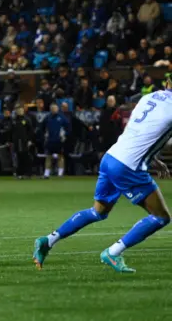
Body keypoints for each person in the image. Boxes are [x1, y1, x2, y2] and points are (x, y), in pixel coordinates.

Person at [33, 81, 172, 273]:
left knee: (98, 211)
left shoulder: (149, 97)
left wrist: (153, 159)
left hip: (112, 157)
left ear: (166, 83)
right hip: (128, 166)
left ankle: (48, 240)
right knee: (160, 217)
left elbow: (143, 131)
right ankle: (113, 252)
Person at [41, 103, 70, 178]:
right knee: (48, 156)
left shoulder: (62, 117)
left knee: (60, 156)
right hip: (50, 140)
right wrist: (45, 134)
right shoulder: (47, 117)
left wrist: (64, 134)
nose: (54, 110)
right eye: (52, 108)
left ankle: (60, 173)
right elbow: (42, 127)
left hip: (59, 140)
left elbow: (68, 127)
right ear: (50, 110)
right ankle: (46, 173)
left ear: (57, 109)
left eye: (55, 108)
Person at [12, 105, 34, 179]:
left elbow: (30, 131)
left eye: (21, 110)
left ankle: (28, 173)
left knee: (26, 157)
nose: (19, 111)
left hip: (25, 141)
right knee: (19, 157)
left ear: (23, 111)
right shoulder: (14, 120)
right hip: (17, 142)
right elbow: (12, 131)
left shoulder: (27, 119)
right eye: (18, 110)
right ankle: (19, 173)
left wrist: (30, 140)